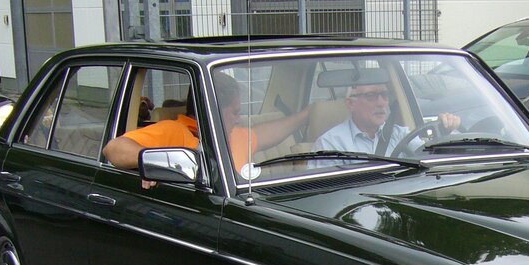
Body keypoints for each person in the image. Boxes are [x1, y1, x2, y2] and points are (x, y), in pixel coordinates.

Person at [102, 72, 310, 184]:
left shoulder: (234, 135)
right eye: (236, 112)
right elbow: (113, 149)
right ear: (215, 110)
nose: (239, 119)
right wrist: (156, 164)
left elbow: (271, 133)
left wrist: (307, 114)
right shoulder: (174, 130)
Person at [314, 82, 459, 157]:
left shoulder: (401, 135)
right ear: (350, 104)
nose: (381, 103)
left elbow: (429, 159)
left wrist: (445, 133)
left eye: (384, 95)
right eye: (370, 96)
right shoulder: (330, 144)